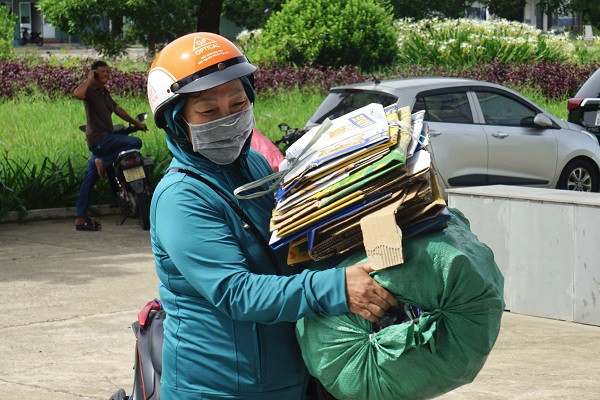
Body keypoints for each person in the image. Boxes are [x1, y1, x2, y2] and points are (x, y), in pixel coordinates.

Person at [147, 32, 398, 400]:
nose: (228, 119)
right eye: (208, 111)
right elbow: (237, 291)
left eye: (237, 103)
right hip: (216, 390)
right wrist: (337, 287)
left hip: (287, 381)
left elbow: (288, 245)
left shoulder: (254, 164)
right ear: (175, 121)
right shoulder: (180, 198)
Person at [73, 60, 147, 231]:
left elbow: (117, 109)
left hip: (103, 141)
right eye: (102, 71)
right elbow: (77, 94)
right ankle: (105, 161)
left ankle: (80, 218)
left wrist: (136, 123)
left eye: (108, 71)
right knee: (136, 143)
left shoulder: (103, 91)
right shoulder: (90, 89)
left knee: (89, 180)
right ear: (94, 73)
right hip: (101, 139)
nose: (107, 74)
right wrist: (89, 78)